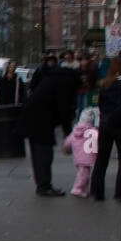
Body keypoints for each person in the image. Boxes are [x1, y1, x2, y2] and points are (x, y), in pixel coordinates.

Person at [19, 56, 80, 196]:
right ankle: (44, 186)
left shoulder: (54, 78)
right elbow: (64, 109)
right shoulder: (65, 83)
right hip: (40, 121)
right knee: (44, 154)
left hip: (34, 118)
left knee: (37, 154)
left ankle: (42, 184)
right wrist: (67, 132)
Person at [90, 56, 121, 202]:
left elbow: (100, 104)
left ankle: (97, 191)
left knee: (102, 158)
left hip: (106, 124)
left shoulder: (106, 84)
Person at [63, 108, 100, 197]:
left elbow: (68, 141)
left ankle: (83, 189)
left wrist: (67, 149)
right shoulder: (93, 131)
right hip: (87, 157)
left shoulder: (76, 130)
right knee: (84, 175)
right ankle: (77, 188)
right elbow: (96, 144)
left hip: (78, 157)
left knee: (83, 174)